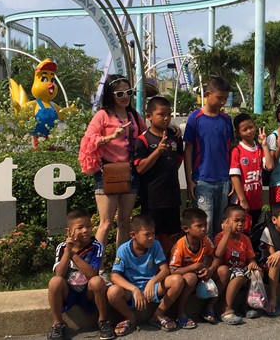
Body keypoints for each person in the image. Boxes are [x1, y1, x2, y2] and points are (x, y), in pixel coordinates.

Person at [78, 74, 146, 251]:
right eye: (119, 93)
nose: (125, 97)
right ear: (110, 94)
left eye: (128, 92)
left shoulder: (134, 115)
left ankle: (119, 264)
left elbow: (145, 134)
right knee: (106, 223)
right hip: (107, 172)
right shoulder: (102, 115)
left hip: (130, 172)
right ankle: (96, 267)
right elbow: (88, 140)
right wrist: (110, 137)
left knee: (124, 222)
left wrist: (169, 128)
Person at [107, 215, 184, 336]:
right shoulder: (123, 249)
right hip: (131, 290)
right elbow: (114, 276)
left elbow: (165, 270)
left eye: (153, 234)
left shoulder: (155, 245)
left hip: (151, 287)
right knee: (112, 292)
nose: (151, 238)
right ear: (133, 235)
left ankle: (158, 314)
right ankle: (130, 318)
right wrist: (134, 289)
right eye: (147, 234)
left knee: (177, 280)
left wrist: (152, 281)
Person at [47, 210, 113, 340]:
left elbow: (92, 273)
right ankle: (57, 324)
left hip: (87, 291)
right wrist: (67, 252)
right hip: (69, 291)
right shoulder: (61, 247)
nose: (85, 230)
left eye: (88, 226)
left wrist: (73, 255)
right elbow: (59, 274)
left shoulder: (96, 246)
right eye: (80, 228)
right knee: (54, 282)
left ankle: (103, 321)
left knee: (97, 281)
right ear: (68, 231)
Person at [184, 76, 234, 238]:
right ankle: (204, 260)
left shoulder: (226, 120)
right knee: (204, 226)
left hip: (224, 180)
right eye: (219, 98)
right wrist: (189, 180)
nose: (222, 102)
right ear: (207, 94)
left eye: (225, 99)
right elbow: (188, 150)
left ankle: (217, 261)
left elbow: (231, 149)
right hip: (202, 180)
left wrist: (233, 177)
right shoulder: (195, 118)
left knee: (221, 225)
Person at [133, 96, 183, 258]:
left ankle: (164, 265)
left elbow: (178, 160)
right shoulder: (143, 140)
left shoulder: (174, 136)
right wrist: (158, 151)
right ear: (149, 116)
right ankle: (149, 266)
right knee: (150, 235)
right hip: (152, 198)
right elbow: (140, 168)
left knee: (168, 235)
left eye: (169, 114)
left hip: (171, 196)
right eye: (161, 114)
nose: (166, 118)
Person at [169, 208, 222, 328]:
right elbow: (173, 271)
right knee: (191, 277)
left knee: (223, 271)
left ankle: (209, 308)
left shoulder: (205, 240)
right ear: (186, 229)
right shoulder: (180, 246)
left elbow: (216, 257)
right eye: (199, 226)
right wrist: (195, 266)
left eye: (205, 224)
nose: (204, 228)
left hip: (203, 275)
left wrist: (210, 270)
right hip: (187, 280)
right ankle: (180, 312)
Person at [214, 204, 260, 325]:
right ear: (226, 222)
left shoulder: (245, 239)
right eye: (236, 221)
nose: (240, 224)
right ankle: (226, 309)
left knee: (257, 273)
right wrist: (227, 233)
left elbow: (251, 258)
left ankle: (247, 304)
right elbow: (218, 254)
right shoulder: (220, 237)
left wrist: (253, 263)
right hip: (227, 270)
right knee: (239, 275)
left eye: (243, 221)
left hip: (241, 268)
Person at [230, 113, 274, 233]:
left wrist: (264, 145)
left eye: (251, 127)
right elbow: (235, 176)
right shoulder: (237, 150)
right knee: (241, 231)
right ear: (238, 132)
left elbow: (269, 166)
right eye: (245, 129)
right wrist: (242, 199)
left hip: (256, 201)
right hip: (242, 202)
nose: (249, 131)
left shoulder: (259, 149)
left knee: (255, 232)